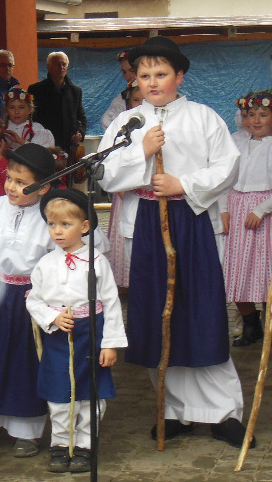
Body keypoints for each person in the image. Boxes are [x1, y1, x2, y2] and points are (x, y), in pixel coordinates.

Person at [98, 35, 251, 449]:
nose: (152, 82)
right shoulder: (127, 123)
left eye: (161, 74)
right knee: (158, 314)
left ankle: (223, 413)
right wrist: (141, 153)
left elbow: (228, 167)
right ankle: (174, 410)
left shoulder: (203, 118)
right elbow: (106, 174)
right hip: (146, 222)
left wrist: (184, 184)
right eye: (144, 75)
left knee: (199, 310)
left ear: (179, 76)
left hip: (192, 219)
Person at [0, 144, 57, 457]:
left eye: (21, 182)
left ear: (43, 187)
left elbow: (56, 258)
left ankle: (27, 429)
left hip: (31, 295)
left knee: (26, 360)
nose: (12, 187)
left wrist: (47, 294)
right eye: (9, 179)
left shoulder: (50, 216)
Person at [26, 189, 127, 473]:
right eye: (52, 224)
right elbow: (34, 300)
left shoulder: (97, 261)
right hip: (59, 336)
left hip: (91, 333)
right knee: (59, 393)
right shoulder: (45, 263)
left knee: (90, 393)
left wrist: (110, 344)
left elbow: (111, 302)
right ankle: (61, 443)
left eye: (65, 224)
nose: (57, 231)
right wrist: (53, 317)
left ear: (84, 227)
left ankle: (85, 445)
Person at [223, 91, 272, 347]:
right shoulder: (237, 143)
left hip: (268, 213)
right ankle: (250, 323)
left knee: (271, 267)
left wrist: (261, 209)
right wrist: (223, 210)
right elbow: (224, 179)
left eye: (263, 115)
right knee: (239, 267)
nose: (256, 120)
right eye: (251, 115)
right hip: (237, 209)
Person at [105, 80, 143, 290]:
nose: (140, 104)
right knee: (123, 237)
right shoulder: (124, 126)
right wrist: (120, 184)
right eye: (136, 100)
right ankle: (124, 282)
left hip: (144, 192)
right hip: (124, 190)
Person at [29, 51, 86, 156]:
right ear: (48, 67)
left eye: (64, 64)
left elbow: (81, 117)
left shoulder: (75, 91)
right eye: (57, 64)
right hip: (45, 145)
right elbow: (32, 118)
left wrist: (80, 133)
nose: (61, 67)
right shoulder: (36, 90)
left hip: (69, 146)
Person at [100, 51, 137, 130]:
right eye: (124, 72)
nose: (128, 76)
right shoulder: (123, 98)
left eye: (132, 71)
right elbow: (107, 122)